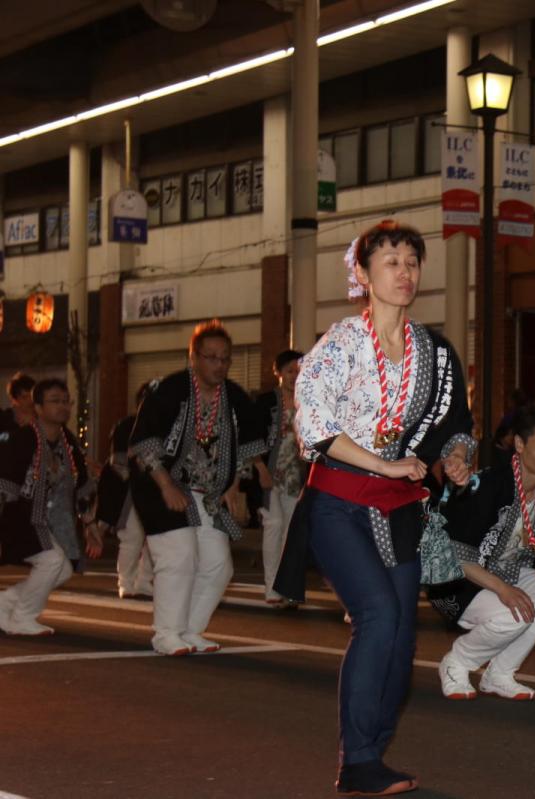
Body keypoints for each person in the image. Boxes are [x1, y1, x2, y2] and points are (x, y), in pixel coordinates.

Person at [275, 220, 475, 797]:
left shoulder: (435, 354)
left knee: (404, 635)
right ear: (361, 275)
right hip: (339, 501)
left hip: (399, 510)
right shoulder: (340, 342)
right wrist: (384, 463)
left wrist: (457, 457)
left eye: (412, 261)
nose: (404, 271)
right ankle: (357, 760)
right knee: (378, 617)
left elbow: (453, 426)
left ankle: (375, 747)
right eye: (390, 261)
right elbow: (311, 423)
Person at [128, 320, 267, 656]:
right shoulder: (170, 390)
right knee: (179, 555)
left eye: (225, 359)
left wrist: (234, 486)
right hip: (161, 483)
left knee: (219, 564)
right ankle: (166, 634)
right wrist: (165, 486)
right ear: (193, 357)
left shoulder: (234, 397)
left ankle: (190, 629)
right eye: (211, 357)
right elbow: (144, 443)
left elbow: (246, 447)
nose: (219, 365)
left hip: (209, 492)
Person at [432, 403, 535, 701]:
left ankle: (500, 673)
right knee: (517, 614)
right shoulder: (487, 484)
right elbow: (454, 555)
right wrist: (503, 590)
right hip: (456, 582)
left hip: (507, 574)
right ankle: (457, 662)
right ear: (520, 445)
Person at [0, 378, 102, 635]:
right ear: (38, 407)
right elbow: (6, 484)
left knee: (63, 568)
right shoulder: (23, 438)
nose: (63, 406)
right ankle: (22, 618)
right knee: (52, 561)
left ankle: (4, 605)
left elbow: (81, 485)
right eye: (55, 401)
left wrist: (89, 523)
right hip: (20, 516)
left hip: (51, 518)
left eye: (66, 401)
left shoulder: (67, 440)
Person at [254, 349, 307, 607]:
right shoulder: (266, 402)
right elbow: (251, 438)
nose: (295, 377)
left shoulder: (308, 401)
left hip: (296, 475)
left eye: (299, 372)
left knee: (291, 532)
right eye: (289, 371)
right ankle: (271, 587)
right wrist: (261, 469)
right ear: (278, 372)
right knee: (273, 527)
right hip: (270, 475)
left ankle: (288, 587)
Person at [96, 382, 155, 599]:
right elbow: (118, 462)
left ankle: (144, 580)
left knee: (157, 539)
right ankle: (126, 582)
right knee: (133, 538)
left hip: (158, 491)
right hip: (132, 491)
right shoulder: (126, 425)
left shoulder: (166, 426)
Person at [0, 372, 36, 440]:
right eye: (24, 397)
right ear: (14, 399)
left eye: (32, 396)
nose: (30, 401)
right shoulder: (4, 418)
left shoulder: (43, 416)